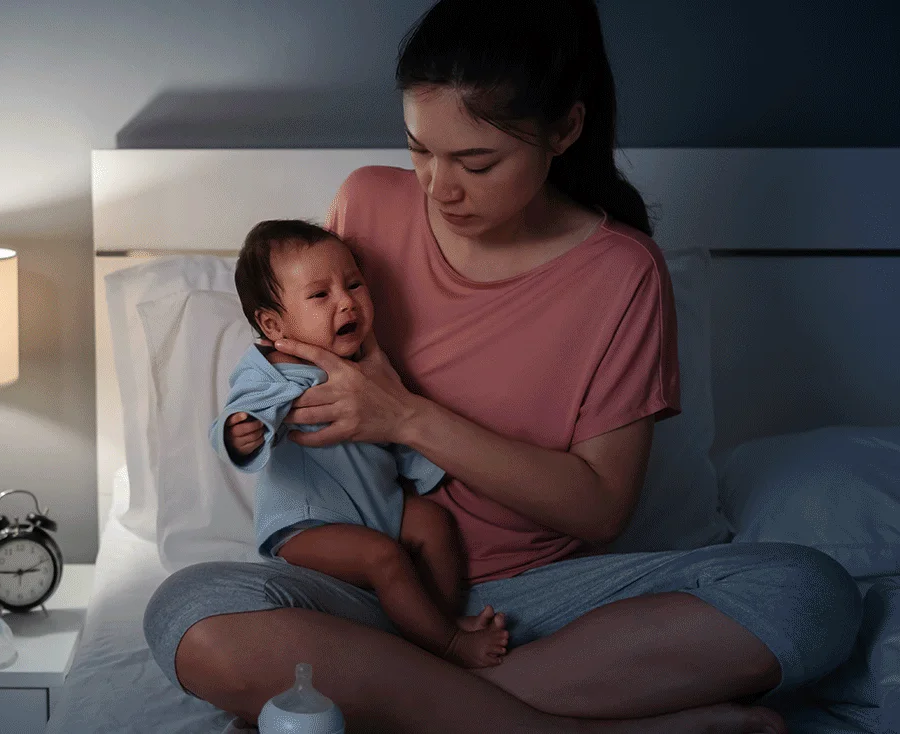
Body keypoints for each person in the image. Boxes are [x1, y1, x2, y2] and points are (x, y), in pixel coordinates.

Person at [144, 1, 861, 732]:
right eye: (420, 150)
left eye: (476, 161)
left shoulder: (623, 274)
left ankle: (400, 700)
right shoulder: (367, 204)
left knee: (810, 595)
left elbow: (600, 508)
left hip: (541, 600)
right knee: (188, 612)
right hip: (366, 590)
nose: (437, 187)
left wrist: (408, 417)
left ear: (564, 130)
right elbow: (296, 362)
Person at [213, 219, 509, 669]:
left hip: (380, 506)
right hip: (308, 525)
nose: (346, 302)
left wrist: (425, 466)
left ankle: (437, 621)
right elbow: (242, 410)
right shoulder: (272, 370)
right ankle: (447, 648)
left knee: (433, 524)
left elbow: (395, 431)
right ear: (273, 323)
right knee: (383, 557)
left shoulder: (370, 366)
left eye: (354, 284)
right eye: (320, 295)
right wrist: (240, 430)